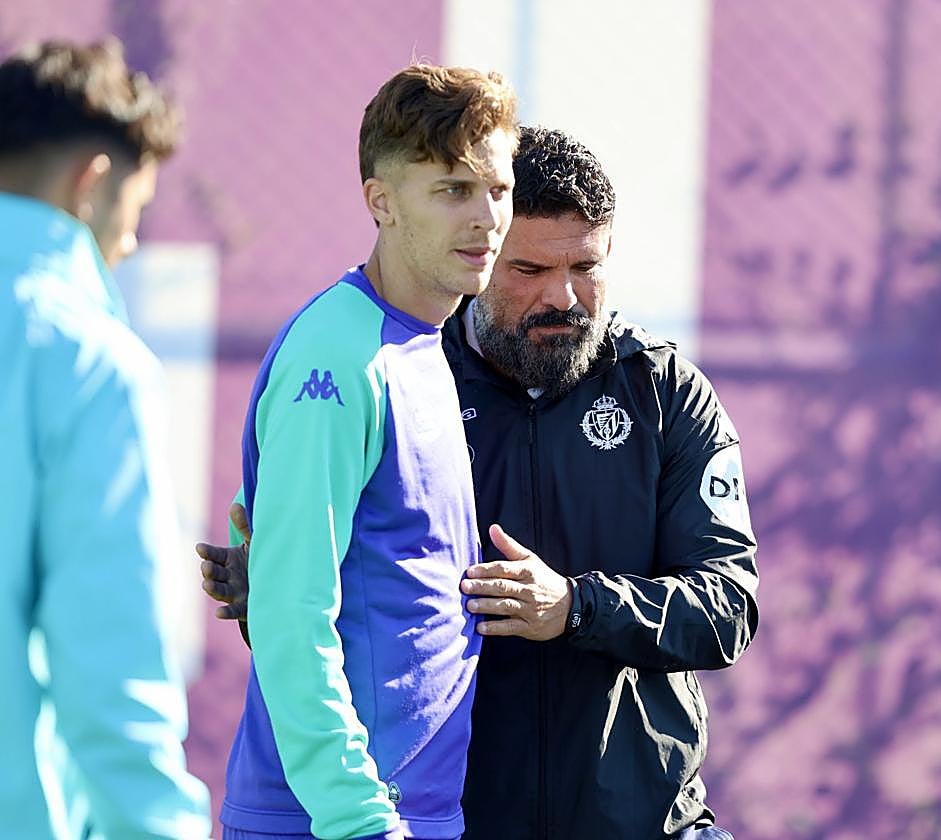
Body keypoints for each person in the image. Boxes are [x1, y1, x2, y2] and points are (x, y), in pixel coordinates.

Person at [202, 127, 758, 839]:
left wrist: (579, 607)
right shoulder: (405, 378)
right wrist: (272, 595)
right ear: (481, 252)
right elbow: (351, 616)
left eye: (586, 266)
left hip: (649, 822)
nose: (563, 297)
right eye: (528, 270)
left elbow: (730, 604)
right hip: (460, 820)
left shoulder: (664, 392)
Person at [214, 65, 518, 840]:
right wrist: (358, 819)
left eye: (498, 189)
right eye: (453, 189)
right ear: (381, 202)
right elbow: (291, 612)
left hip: (411, 816)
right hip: (334, 822)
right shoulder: (339, 354)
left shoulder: (425, 345)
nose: (486, 218)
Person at [0, 39, 211, 839]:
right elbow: (109, 664)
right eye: (135, 213)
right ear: (90, 185)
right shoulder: (85, 360)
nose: (128, 245)